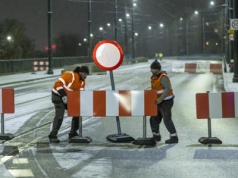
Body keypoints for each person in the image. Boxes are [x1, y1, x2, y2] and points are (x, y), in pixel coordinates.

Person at [48, 66, 89, 143]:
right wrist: (63, 96)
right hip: (57, 95)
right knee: (60, 114)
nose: (85, 76)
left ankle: (73, 133)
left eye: (87, 74)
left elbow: (81, 94)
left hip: (68, 98)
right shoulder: (69, 75)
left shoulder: (82, 82)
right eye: (84, 73)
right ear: (80, 72)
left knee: (77, 113)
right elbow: (58, 84)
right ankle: (52, 135)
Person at [150, 60, 178, 144]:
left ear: (157, 69)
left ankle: (174, 137)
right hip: (158, 102)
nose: (152, 71)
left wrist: (160, 99)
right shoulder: (153, 77)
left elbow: (167, 89)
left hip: (166, 101)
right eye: (151, 69)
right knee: (153, 118)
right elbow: (154, 89)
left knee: (167, 119)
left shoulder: (163, 77)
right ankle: (156, 136)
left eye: (153, 69)